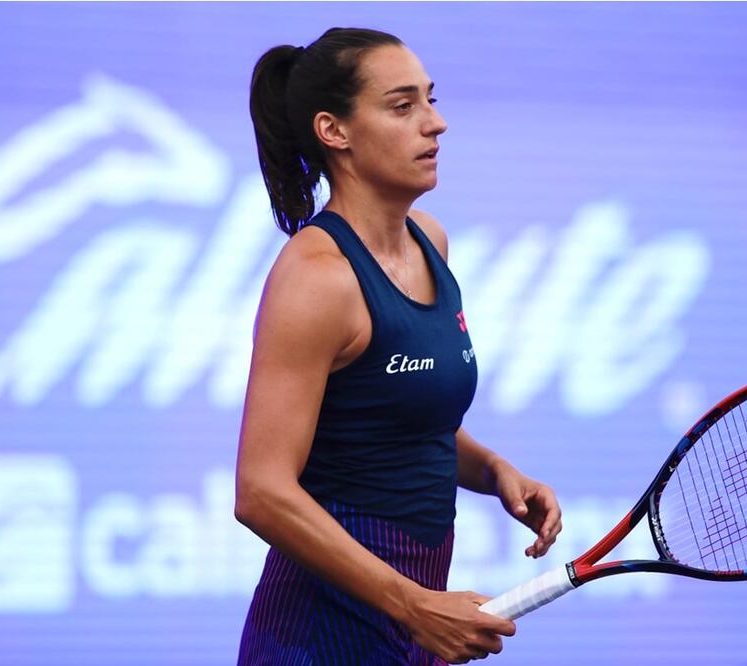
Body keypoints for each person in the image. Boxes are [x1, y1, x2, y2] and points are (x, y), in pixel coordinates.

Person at [235, 27, 562, 665]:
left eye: (431, 100)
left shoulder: (430, 241)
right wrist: (411, 603)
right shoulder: (316, 277)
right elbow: (261, 490)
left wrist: (495, 470)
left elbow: (398, 419)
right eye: (403, 105)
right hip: (318, 636)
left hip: (412, 626)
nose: (436, 124)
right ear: (335, 131)